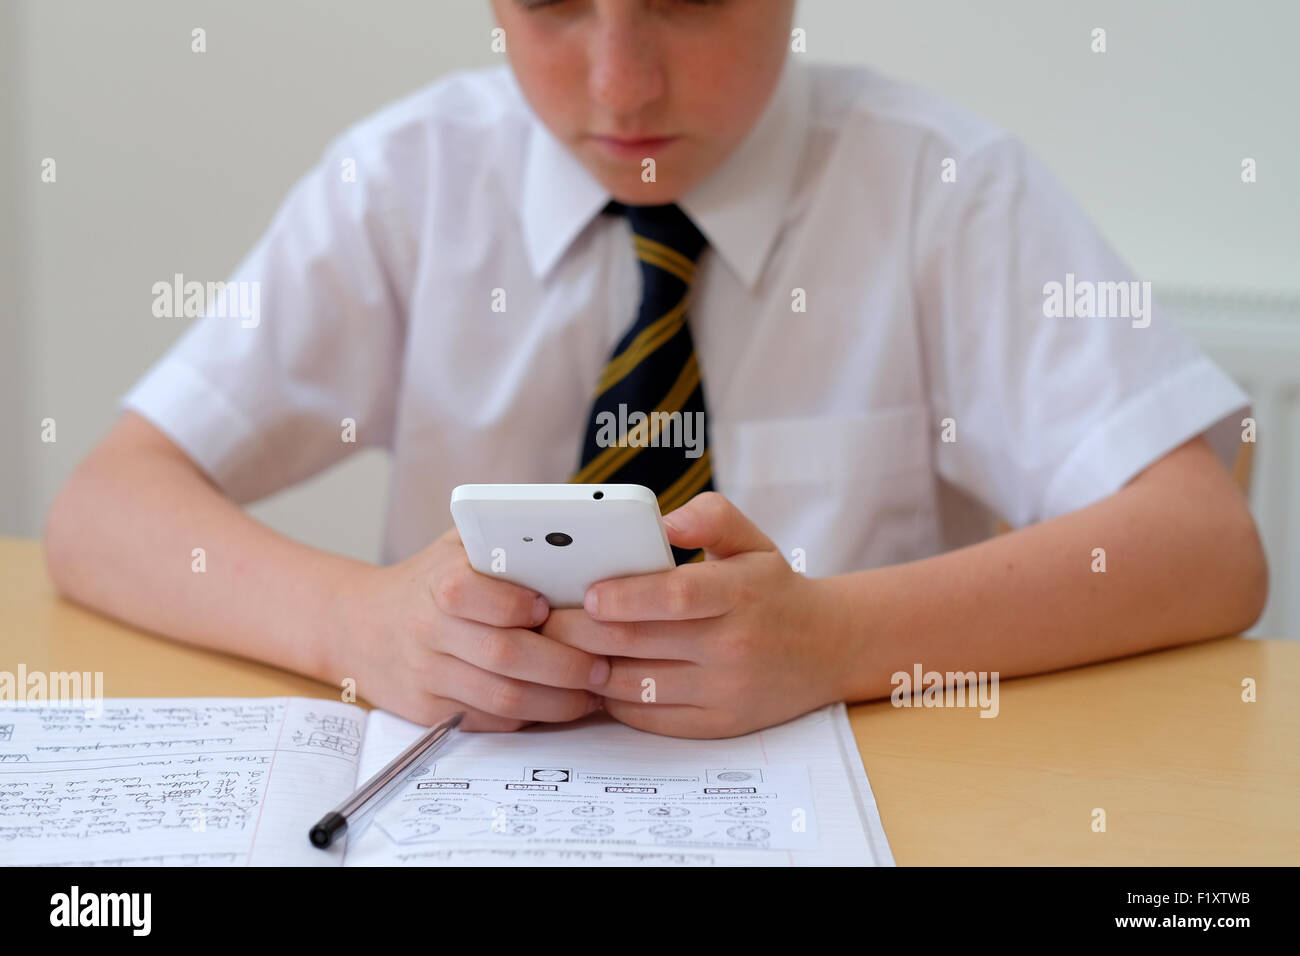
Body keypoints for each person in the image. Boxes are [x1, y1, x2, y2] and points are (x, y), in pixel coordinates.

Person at [45, 0, 1267, 739]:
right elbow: (104, 507)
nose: (620, 83)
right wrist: (350, 621)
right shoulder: (408, 181)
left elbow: (1204, 543)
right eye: (551, 5)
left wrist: (834, 638)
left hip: (868, 795)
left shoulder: (938, 186)